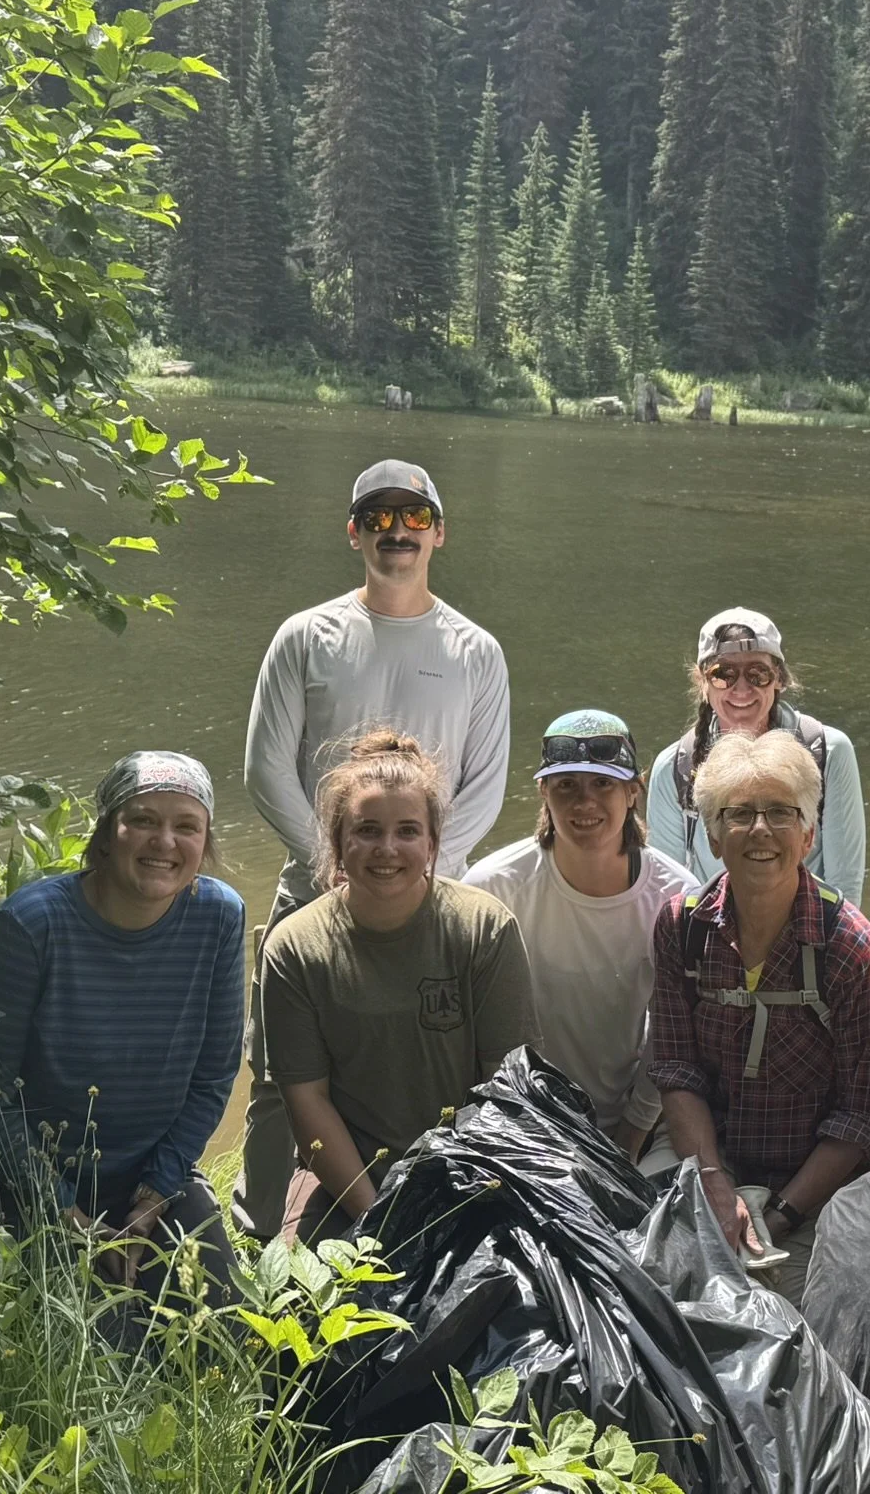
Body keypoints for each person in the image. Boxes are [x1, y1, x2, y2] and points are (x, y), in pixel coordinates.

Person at [236, 458, 511, 1237]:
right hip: (311, 894)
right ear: (353, 531)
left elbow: (484, 785)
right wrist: (333, 871)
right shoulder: (305, 636)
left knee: (432, 1067)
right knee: (274, 1077)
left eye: (414, 517)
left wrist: (418, 878)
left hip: (429, 908)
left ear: (439, 533)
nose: (397, 532)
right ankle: (262, 1232)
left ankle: (433, 1223)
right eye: (379, 517)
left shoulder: (475, 651)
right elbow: (265, 768)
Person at [0, 751, 244, 1336]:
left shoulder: (219, 916)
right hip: (30, 1182)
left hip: (152, 1179)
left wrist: (153, 1197)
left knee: (224, 1338)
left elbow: (214, 1078)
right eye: (142, 820)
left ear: (205, 840)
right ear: (107, 833)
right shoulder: (32, 924)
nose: (164, 841)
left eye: (186, 826)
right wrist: (63, 1212)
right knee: (104, 1349)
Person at [262, 730, 539, 1245]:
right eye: (367, 830)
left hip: (472, 1171)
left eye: (407, 831)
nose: (386, 849)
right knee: (301, 1307)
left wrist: (452, 1203)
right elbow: (309, 1105)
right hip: (347, 1182)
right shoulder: (294, 947)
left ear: (433, 843)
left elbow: (506, 1092)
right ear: (337, 841)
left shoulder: (484, 928)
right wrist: (380, 1223)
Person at [648, 731, 870, 1305]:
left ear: (808, 834)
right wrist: (713, 1183)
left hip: (819, 1182)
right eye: (739, 814)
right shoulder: (680, 929)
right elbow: (677, 1070)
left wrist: (777, 1218)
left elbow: (861, 1117)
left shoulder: (853, 949)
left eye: (781, 812)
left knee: (802, 1310)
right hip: (712, 1160)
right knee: (659, 1293)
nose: (760, 830)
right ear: (712, 834)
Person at [463, 710, 697, 1159]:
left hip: (636, 1119)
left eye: (603, 784)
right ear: (543, 793)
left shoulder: (676, 897)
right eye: (566, 784)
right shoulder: (492, 888)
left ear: (634, 791)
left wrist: (630, 1135)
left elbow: (671, 1035)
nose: (584, 802)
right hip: (521, 1117)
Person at [647, 608, 866, 905]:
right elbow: (667, 891)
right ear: (702, 682)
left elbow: (845, 886)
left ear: (779, 679)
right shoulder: (673, 768)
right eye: (723, 674)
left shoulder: (829, 750)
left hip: (810, 935)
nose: (741, 688)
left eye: (757, 673)